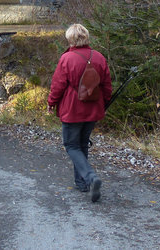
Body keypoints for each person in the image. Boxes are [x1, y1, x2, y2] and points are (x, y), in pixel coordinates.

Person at [48, 23, 112, 202]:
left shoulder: (67, 59)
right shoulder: (99, 57)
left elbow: (57, 86)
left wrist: (51, 103)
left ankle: (90, 177)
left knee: (71, 145)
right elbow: (107, 86)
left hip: (72, 110)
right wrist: (103, 103)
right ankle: (82, 183)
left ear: (70, 39)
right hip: (93, 109)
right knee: (82, 144)